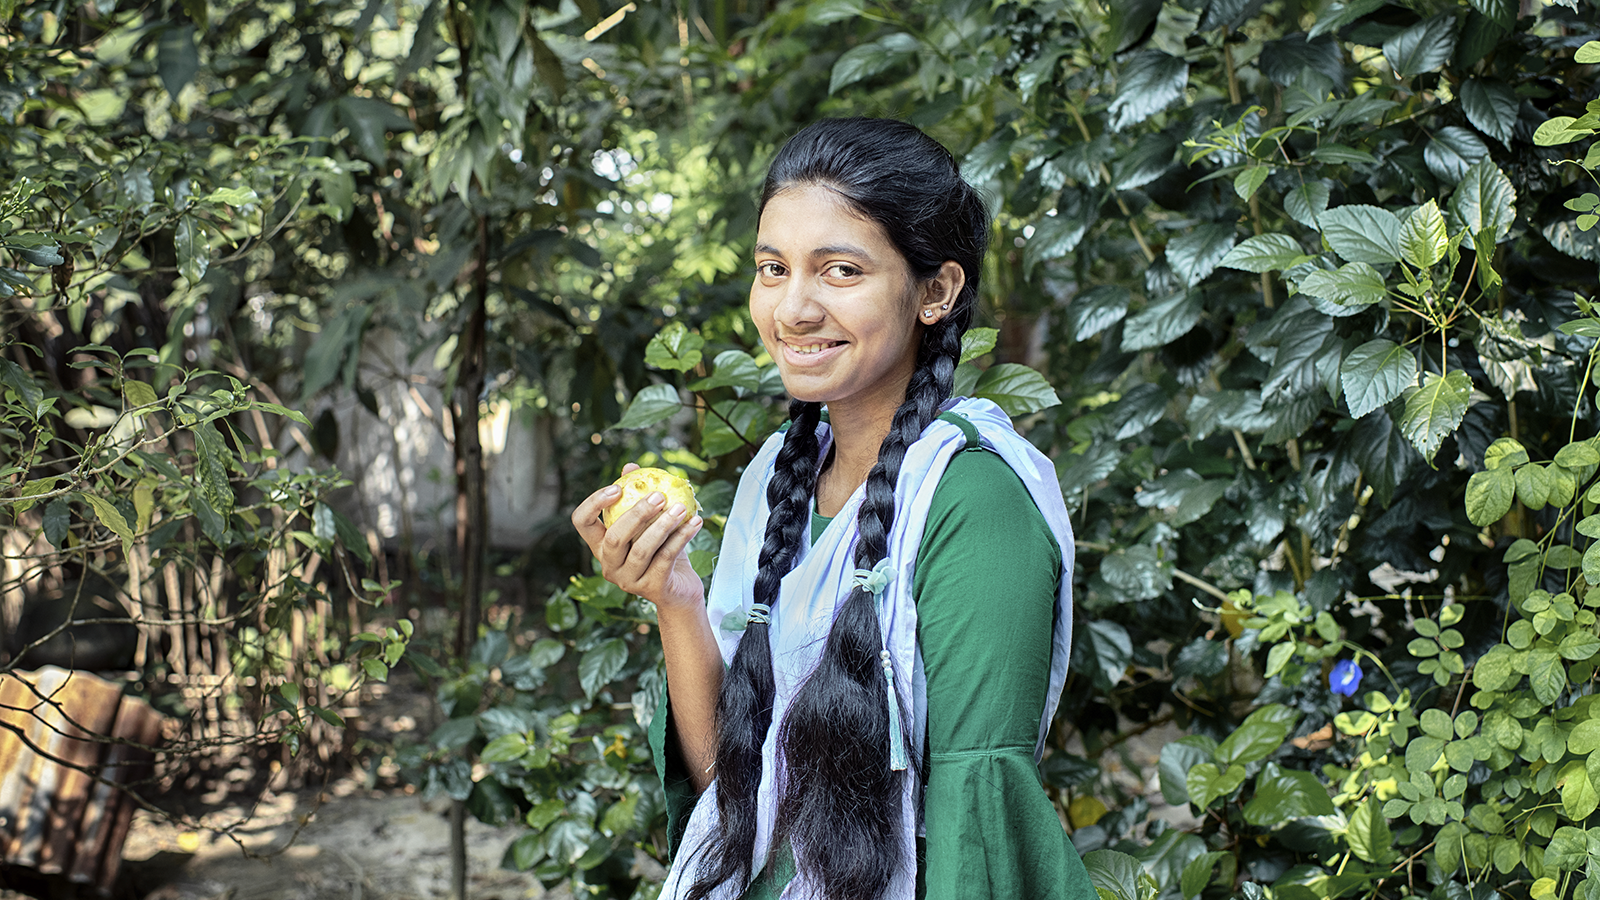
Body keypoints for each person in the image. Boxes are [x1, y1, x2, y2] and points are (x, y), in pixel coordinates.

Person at [572, 118, 1094, 900]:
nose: (793, 309)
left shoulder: (975, 503)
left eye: (840, 271)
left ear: (936, 292)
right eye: (773, 268)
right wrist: (673, 596)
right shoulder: (773, 479)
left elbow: (978, 826)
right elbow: (737, 778)